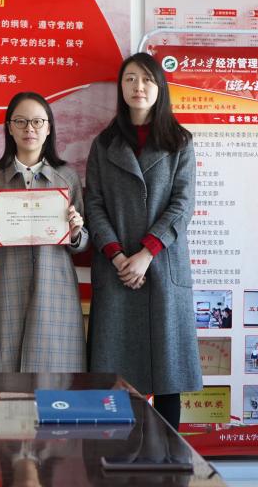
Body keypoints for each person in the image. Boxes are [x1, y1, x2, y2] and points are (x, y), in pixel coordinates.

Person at [85, 52, 200, 429]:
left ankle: (168, 457)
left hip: (163, 266)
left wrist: (147, 253)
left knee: (168, 378)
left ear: (160, 87)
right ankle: (120, 456)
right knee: (115, 378)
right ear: (120, 87)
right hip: (116, 270)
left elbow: (183, 203)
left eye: (148, 79)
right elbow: (93, 204)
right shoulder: (104, 143)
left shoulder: (179, 141)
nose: (139, 87)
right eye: (131, 79)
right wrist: (118, 255)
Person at [0, 92, 88, 372]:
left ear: (48, 128)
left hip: (55, 288)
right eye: (21, 121)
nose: (29, 129)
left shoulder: (66, 176)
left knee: (57, 378)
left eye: (37, 121)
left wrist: (75, 232)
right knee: (4, 373)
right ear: (9, 128)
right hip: (7, 286)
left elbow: (83, 241)